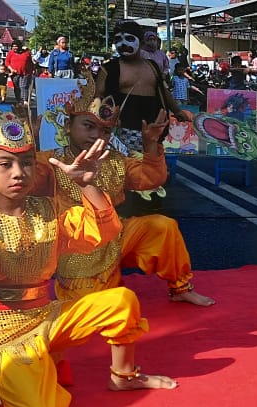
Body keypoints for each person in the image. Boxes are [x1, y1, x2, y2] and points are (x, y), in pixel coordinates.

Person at [0, 87, 177, 407]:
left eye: (26, 163)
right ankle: (19, 371)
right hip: (1, 332)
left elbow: (99, 231)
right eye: (5, 164)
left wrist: (88, 185)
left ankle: (123, 376)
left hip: (46, 314)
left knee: (121, 301)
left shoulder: (46, 210)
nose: (18, 173)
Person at [37, 74, 214, 307]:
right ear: (68, 126)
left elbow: (151, 179)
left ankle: (180, 287)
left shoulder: (116, 160)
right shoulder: (50, 161)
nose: (96, 136)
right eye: (88, 126)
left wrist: (151, 146)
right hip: (78, 246)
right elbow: (23, 180)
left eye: (105, 131)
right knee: (92, 310)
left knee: (163, 227)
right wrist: (25, 150)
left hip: (117, 235)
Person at [96, 21, 190, 153]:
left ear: (140, 43)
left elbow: (163, 91)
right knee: (126, 170)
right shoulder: (108, 69)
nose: (123, 44)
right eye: (118, 39)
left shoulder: (152, 66)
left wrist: (177, 110)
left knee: (150, 169)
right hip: (121, 133)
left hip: (152, 131)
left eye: (129, 39)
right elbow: (98, 97)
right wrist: (105, 118)